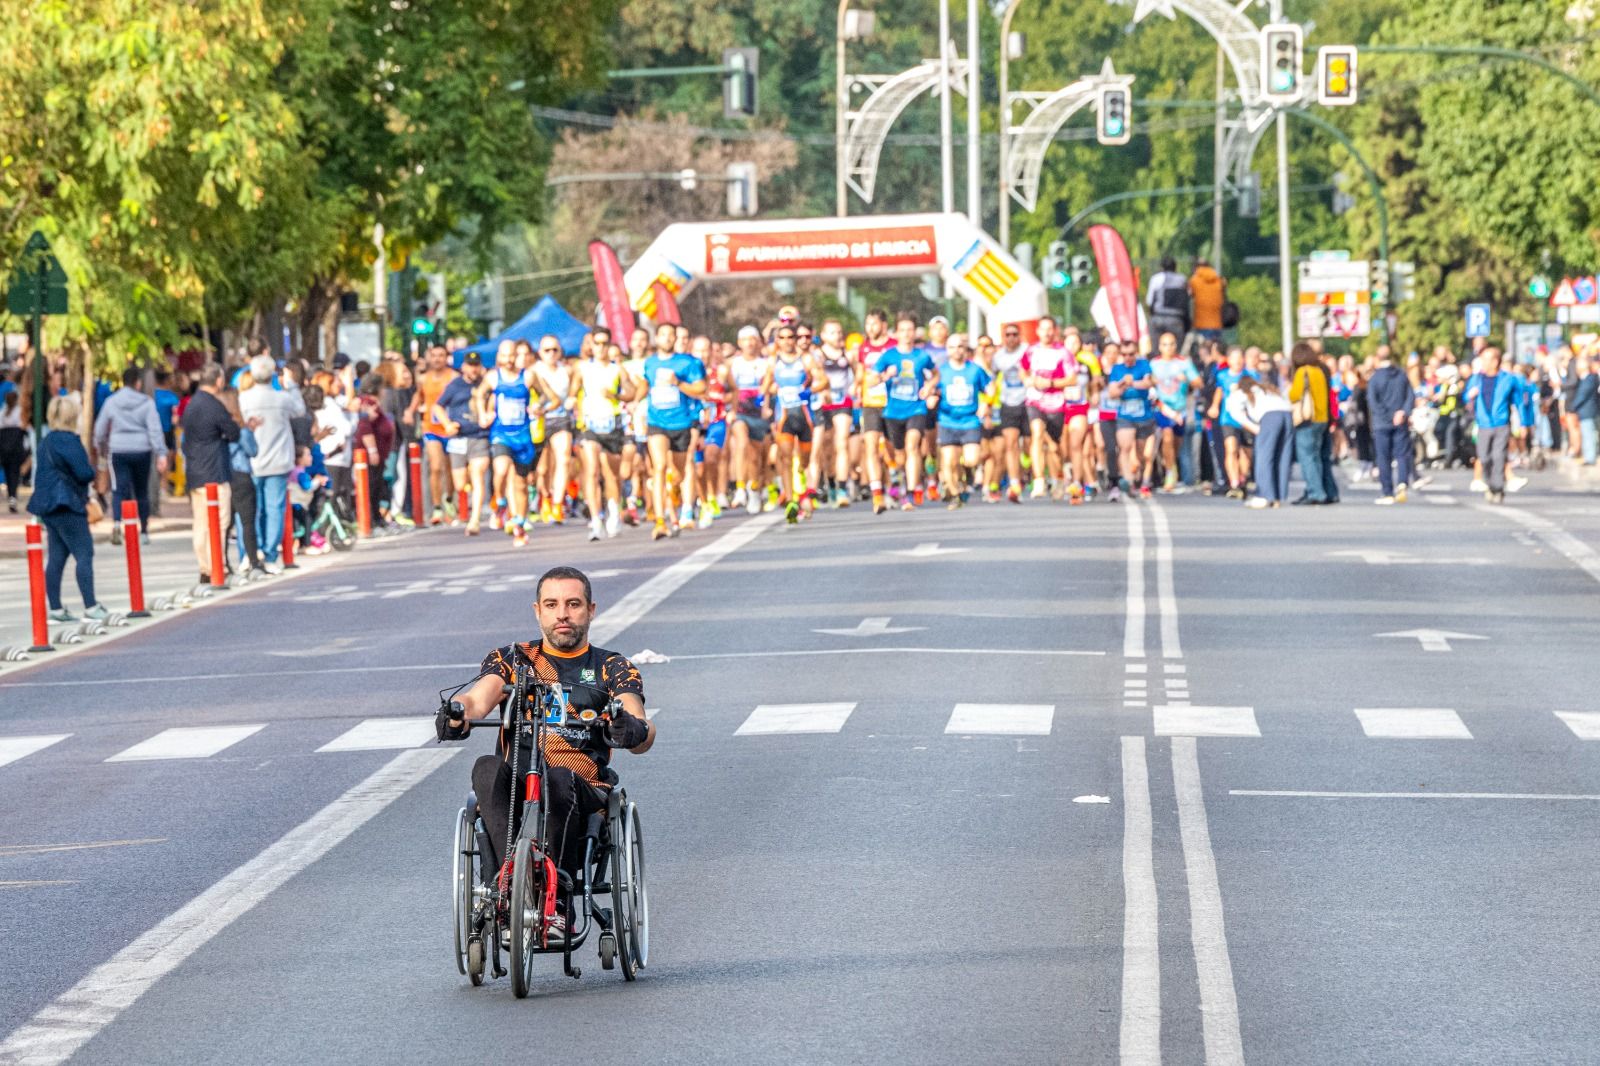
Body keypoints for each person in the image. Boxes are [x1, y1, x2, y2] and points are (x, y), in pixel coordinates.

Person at [435, 566, 653, 941]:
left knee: (558, 777)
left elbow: (638, 720)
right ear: (538, 611)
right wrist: (457, 714)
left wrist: (631, 728)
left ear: (591, 610)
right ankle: (507, 889)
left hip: (581, 785)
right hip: (519, 778)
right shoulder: (513, 660)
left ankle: (559, 904)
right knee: (486, 768)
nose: (562, 614)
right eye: (552, 605)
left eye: (573, 604)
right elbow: (478, 698)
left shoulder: (611, 666)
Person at [29, 395, 109, 623]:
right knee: (84, 553)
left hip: (47, 506)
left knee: (56, 557)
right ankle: (91, 606)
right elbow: (84, 473)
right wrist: (93, 471)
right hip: (68, 503)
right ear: (73, 417)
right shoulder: (70, 441)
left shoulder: (47, 440)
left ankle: (55, 609)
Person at [238, 354, 306, 571]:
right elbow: (300, 410)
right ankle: (269, 554)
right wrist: (292, 384)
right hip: (278, 460)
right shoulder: (281, 398)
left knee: (250, 510)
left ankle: (249, 553)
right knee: (274, 508)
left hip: (251, 461)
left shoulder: (244, 398)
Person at [866, 312, 938, 513]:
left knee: (912, 446)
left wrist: (929, 387)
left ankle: (911, 491)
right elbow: (870, 380)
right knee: (899, 456)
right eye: (903, 330)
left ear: (915, 332)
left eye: (910, 330)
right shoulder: (888, 356)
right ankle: (900, 482)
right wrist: (884, 376)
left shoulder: (922, 356)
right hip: (893, 411)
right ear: (896, 333)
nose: (907, 334)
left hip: (916, 408)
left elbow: (936, 374)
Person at [179, 364, 244, 585]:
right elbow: (233, 433)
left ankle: (204, 566)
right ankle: (217, 564)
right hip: (215, 471)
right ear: (218, 380)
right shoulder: (214, 406)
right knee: (219, 521)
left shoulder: (190, 405)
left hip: (195, 471)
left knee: (200, 522)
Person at [642, 322, 708, 539]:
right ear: (657, 338)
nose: (668, 339)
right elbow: (645, 386)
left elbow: (701, 389)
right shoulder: (649, 363)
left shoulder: (688, 363)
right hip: (656, 422)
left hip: (681, 424)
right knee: (659, 466)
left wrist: (678, 382)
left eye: (671, 335)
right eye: (663, 334)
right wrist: (633, 398)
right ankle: (660, 521)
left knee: (678, 473)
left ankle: (675, 489)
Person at [93, 367, 169, 545]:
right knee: (141, 490)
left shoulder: (112, 402)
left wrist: (101, 444)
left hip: (118, 449)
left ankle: (118, 524)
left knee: (119, 488)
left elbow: (100, 429)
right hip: (142, 449)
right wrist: (161, 452)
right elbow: (155, 429)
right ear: (138, 383)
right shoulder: (146, 402)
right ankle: (143, 530)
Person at [1465, 346, 1530, 504]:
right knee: (1484, 457)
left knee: (1499, 456)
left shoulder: (1508, 379)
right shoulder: (1476, 379)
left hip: (1501, 423)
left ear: (1495, 362)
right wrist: (1469, 396)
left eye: (1486, 359)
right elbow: (1466, 398)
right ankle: (1490, 483)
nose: (1483, 363)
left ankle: (1498, 487)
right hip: (1483, 424)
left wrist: (1524, 423)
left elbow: (1519, 402)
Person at [934, 333, 991, 507]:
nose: (956, 350)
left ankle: (965, 477)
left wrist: (986, 404)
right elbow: (931, 389)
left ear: (965, 349)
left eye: (960, 346)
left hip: (970, 421)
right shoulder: (941, 371)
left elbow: (990, 387)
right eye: (952, 347)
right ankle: (955, 494)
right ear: (947, 349)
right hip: (947, 421)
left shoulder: (974, 370)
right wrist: (931, 397)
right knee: (949, 461)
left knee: (972, 460)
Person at [409, 345, 457, 525]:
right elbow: (418, 396)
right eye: (434, 356)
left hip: (449, 428)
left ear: (446, 358)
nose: (437, 359)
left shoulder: (453, 377)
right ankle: (437, 507)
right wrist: (410, 411)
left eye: (441, 356)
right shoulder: (423, 378)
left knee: (450, 469)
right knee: (435, 467)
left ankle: (449, 498)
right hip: (431, 428)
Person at [1226, 376, 1293, 508]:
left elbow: (1234, 412)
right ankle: (1278, 496)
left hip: (1269, 417)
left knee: (1264, 457)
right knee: (1282, 457)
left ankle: (1264, 495)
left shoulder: (1241, 392)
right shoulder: (1267, 389)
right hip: (1287, 415)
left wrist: (1255, 429)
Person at [1106, 342, 1157, 500]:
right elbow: (1112, 392)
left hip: (1144, 415)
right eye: (1125, 354)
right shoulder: (1117, 369)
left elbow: (1148, 383)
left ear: (1136, 353)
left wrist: (1133, 383)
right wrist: (1123, 383)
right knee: (1125, 447)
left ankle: (1138, 475)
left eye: (1131, 354)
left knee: (1140, 453)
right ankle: (1128, 481)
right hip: (1125, 415)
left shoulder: (1144, 365)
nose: (1128, 358)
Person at [1366, 345, 1415, 504]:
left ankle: (1387, 491)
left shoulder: (1375, 378)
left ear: (1377, 358)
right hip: (1400, 421)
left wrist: (1387, 416)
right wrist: (1403, 412)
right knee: (1402, 454)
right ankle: (1402, 483)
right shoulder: (1402, 375)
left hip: (1382, 423)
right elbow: (1410, 396)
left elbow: (1373, 402)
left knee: (1383, 457)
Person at [1146, 257, 1190, 347]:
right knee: (1176, 350)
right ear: (1175, 267)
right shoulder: (1182, 279)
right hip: (1176, 319)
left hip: (1158, 318)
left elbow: (1149, 301)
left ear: (1162, 267)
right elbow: (1187, 300)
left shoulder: (1156, 278)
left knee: (1157, 349)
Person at [1, 385, 30, 513]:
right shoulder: (18, 412)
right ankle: (13, 497)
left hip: (4, 448)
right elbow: (24, 427)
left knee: (8, 474)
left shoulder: (2, 412)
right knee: (14, 474)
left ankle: (11, 496)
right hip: (15, 448)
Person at [1188, 257, 1227, 345]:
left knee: (1205, 349)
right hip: (1218, 322)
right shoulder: (1219, 279)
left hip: (1202, 322)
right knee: (1216, 348)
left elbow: (1189, 294)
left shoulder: (1194, 280)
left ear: (1195, 267)